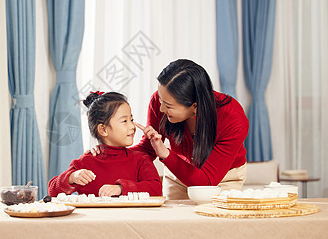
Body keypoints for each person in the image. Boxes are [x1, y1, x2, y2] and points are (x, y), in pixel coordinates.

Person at [90, 59, 249, 199]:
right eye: (160, 100)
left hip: (223, 178)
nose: (160, 109)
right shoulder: (161, 102)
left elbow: (206, 181)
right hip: (179, 174)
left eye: (168, 106)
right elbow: (147, 149)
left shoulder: (233, 118)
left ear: (194, 106)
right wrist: (110, 152)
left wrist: (166, 154)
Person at [48, 91, 162, 197]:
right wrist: (72, 177)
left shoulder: (140, 159)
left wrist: (121, 189)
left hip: (131, 218)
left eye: (131, 120)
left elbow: (156, 189)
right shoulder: (86, 162)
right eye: (124, 121)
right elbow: (52, 190)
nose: (132, 126)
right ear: (103, 130)